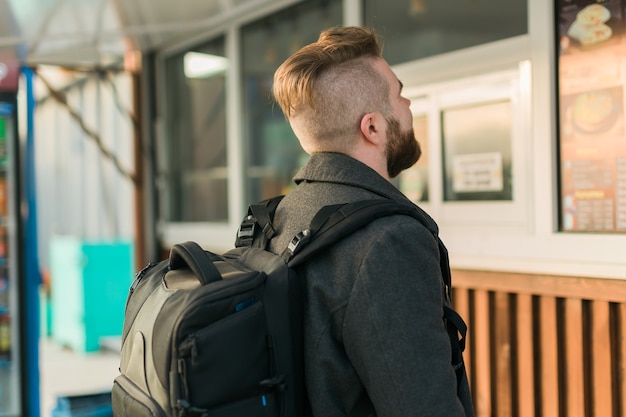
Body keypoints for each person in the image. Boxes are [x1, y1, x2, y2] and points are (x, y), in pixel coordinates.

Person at [270, 26, 474, 417]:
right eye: (399, 95)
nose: (409, 103)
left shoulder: (276, 218)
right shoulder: (390, 241)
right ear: (373, 127)